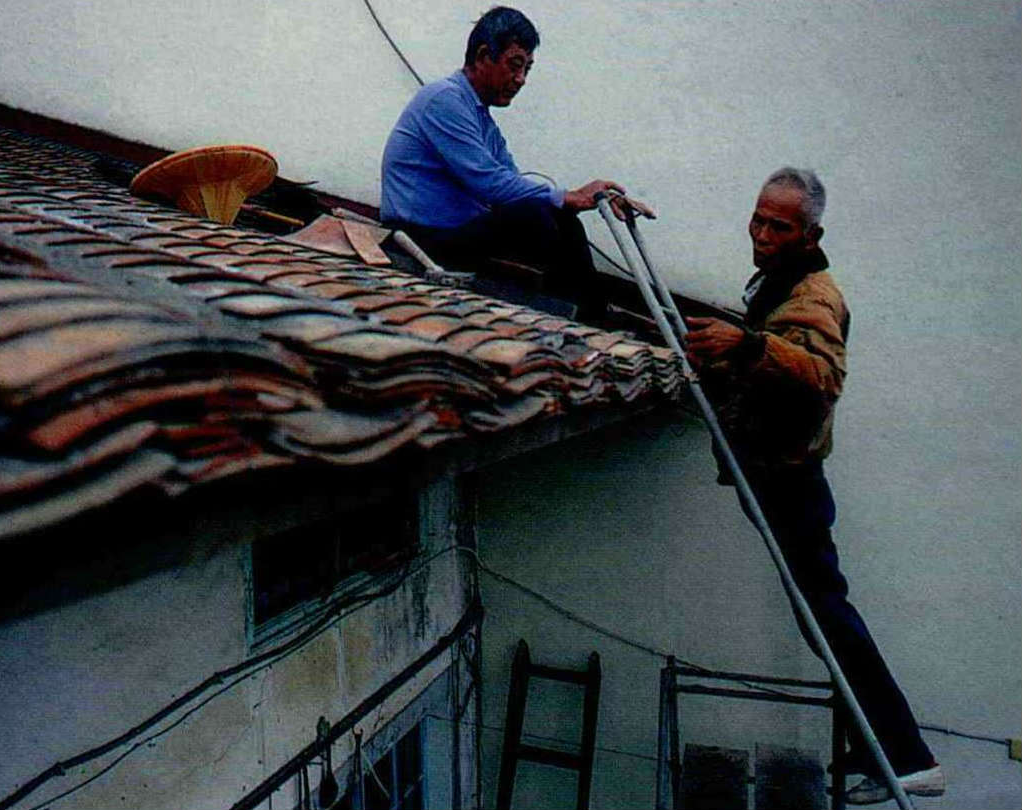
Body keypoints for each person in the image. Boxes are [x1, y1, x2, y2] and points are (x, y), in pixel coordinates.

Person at [685, 168, 944, 804]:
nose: (762, 234)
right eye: (758, 219)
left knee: (828, 615)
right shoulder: (781, 282)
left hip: (792, 483)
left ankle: (908, 758)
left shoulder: (814, 297)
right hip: (779, 476)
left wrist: (746, 347)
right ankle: (883, 747)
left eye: (780, 226)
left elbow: (823, 374)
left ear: (810, 236)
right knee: (821, 617)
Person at [379, 6, 642, 320]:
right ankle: (577, 315)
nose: (521, 80)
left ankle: (586, 314)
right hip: (418, 237)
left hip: (453, 234)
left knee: (558, 218)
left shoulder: (483, 122)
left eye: (527, 69)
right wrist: (567, 197)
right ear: (483, 56)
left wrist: (579, 200)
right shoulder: (443, 99)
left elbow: (512, 185)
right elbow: (490, 184)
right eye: (515, 66)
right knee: (535, 217)